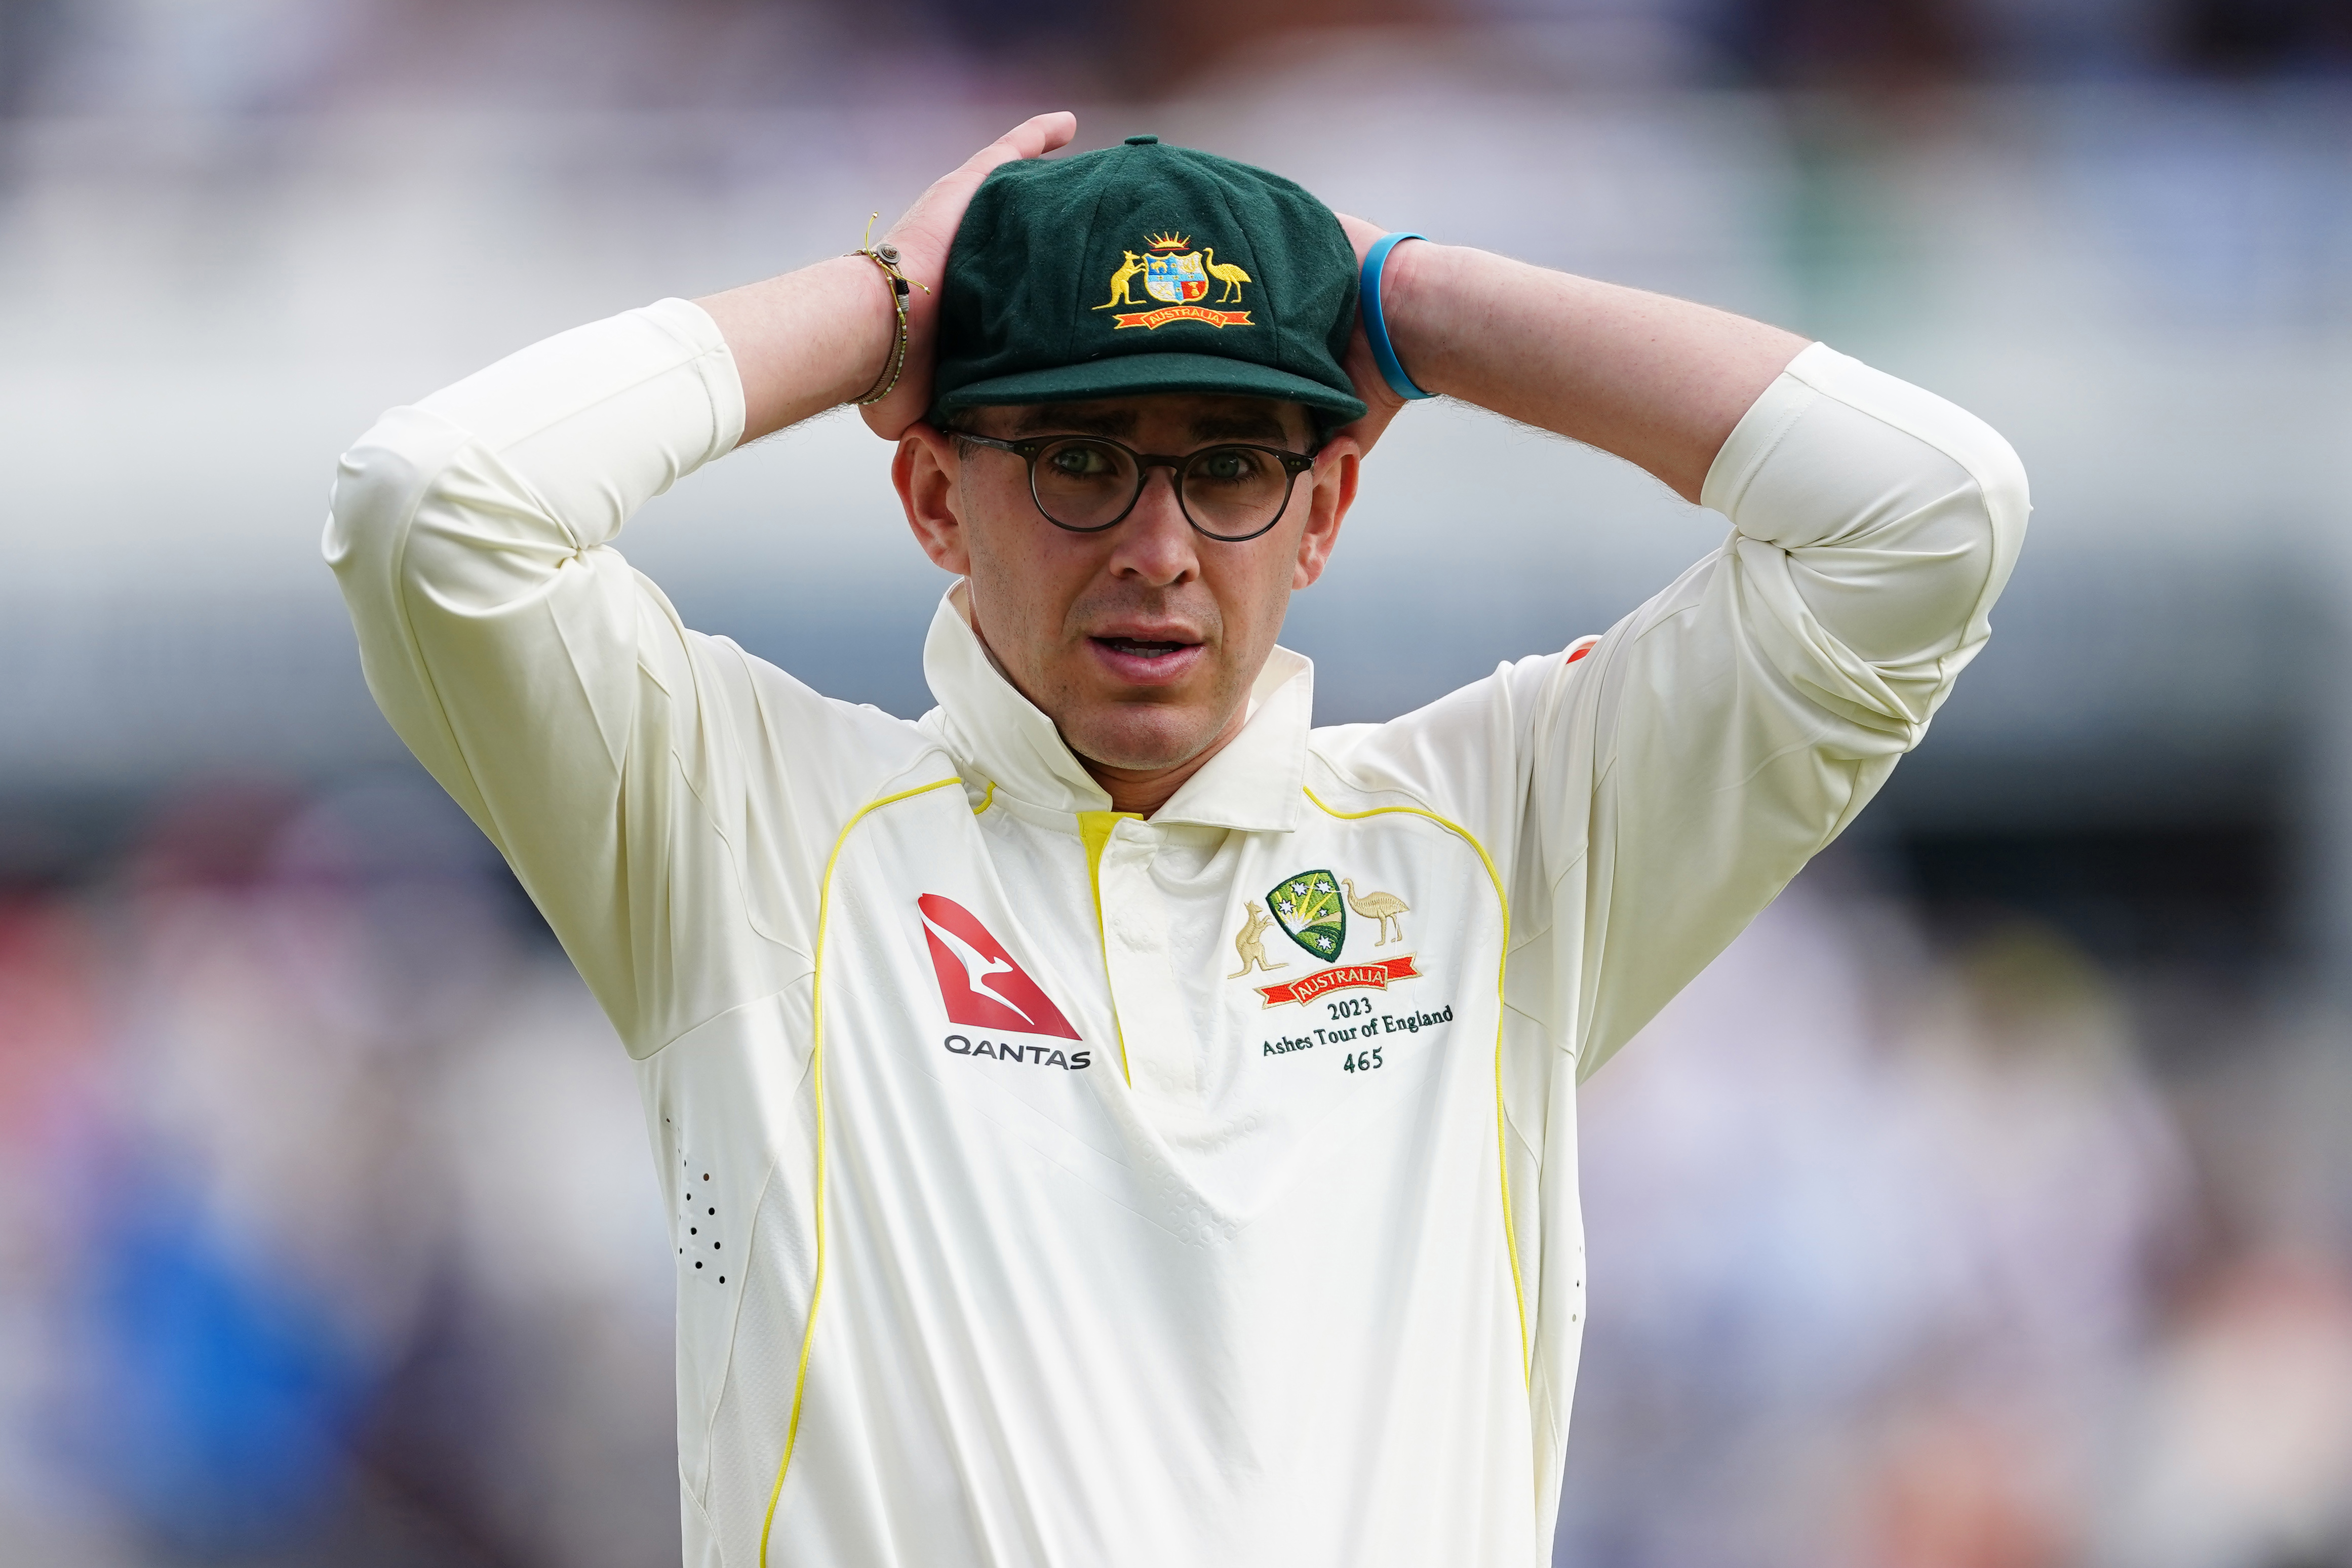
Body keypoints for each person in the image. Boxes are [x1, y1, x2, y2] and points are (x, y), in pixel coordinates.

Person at [325, 112, 2026, 1567]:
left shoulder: (1496, 834)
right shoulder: (750, 820)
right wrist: (877, 304)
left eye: (1227, 468)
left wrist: (1402, 298)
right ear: (931, 496)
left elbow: (1927, 515)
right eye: (1076, 459)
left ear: (1329, 507)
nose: (1156, 549)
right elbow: (433, 508)